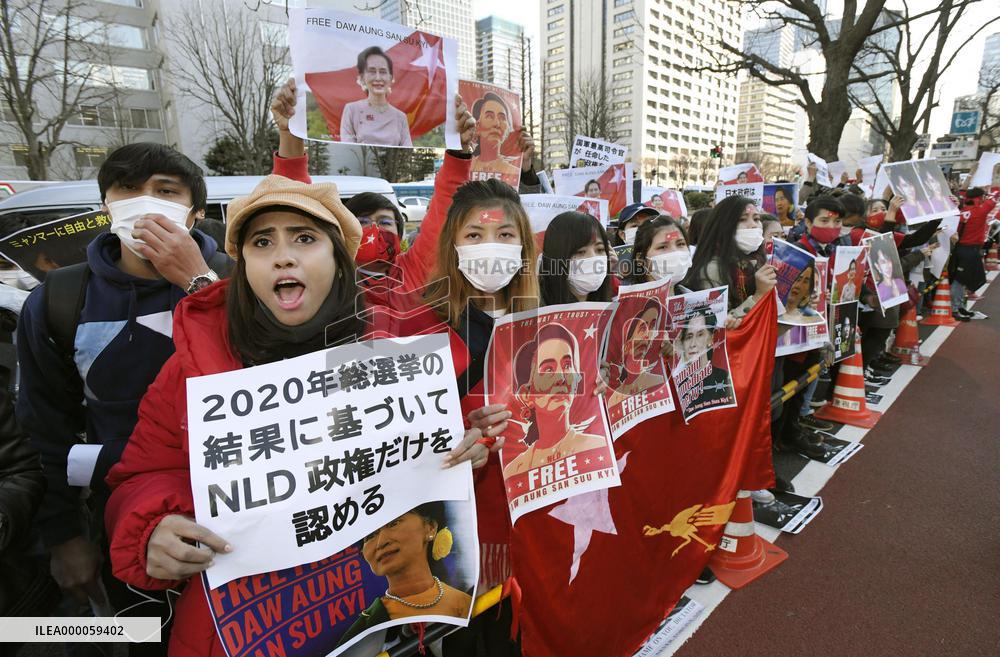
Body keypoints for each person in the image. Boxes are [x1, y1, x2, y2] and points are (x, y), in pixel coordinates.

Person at [103, 174, 492, 657]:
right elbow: (142, 475)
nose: (283, 256)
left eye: (304, 239)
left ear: (339, 259)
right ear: (244, 265)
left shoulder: (395, 358)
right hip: (242, 628)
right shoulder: (194, 364)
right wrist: (151, 528)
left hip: (368, 621)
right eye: (262, 242)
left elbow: (434, 480)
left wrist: (467, 452)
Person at [16, 143, 231, 652]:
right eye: (129, 190)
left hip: (233, 508)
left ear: (195, 212)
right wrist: (65, 535)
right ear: (105, 207)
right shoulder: (59, 299)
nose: (146, 201)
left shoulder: (239, 279)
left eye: (165, 191)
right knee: (143, 637)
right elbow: (43, 425)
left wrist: (198, 283)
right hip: (121, 518)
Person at [339, 503, 473, 646]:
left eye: (394, 523)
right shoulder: (364, 631)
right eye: (370, 535)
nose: (381, 542)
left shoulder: (468, 602)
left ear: (430, 528)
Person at [504, 323, 607, 476]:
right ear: (526, 395)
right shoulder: (515, 470)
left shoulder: (598, 447)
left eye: (567, 365)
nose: (560, 378)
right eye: (548, 369)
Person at [683, 195, 777, 321]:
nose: (753, 225)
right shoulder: (712, 270)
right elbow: (716, 326)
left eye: (756, 219)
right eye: (742, 219)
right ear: (723, 226)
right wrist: (759, 295)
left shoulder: (759, 263)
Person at [341, 46, 413, 147]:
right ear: (362, 78)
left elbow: (407, 152)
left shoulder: (400, 117)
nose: (378, 78)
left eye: (383, 72)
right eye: (372, 71)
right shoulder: (352, 110)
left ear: (391, 78)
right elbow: (347, 150)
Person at [539, 211, 615, 305]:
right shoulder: (534, 308)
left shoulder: (613, 303)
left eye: (600, 250)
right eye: (580, 252)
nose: (593, 258)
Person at [606, 299, 668, 408]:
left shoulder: (658, 382)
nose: (647, 335)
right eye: (642, 327)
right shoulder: (614, 398)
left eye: (652, 326)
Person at [672, 306, 732, 408]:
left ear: (711, 339)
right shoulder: (675, 383)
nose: (693, 344)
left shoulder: (724, 377)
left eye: (700, 335)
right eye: (689, 337)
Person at [950, 187, 994, 320]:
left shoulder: (961, 211)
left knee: (966, 279)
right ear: (979, 198)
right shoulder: (979, 211)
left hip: (962, 248)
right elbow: (993, 200)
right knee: (960, 280)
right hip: (969, 249)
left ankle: (960, 306)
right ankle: (955, 308)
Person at [626, 215, 692, 285]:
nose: (675, 252)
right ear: (640, 259)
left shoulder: (694, 291)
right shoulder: (623, 291)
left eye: (681, 244)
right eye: (662, 247)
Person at [469, 92, 520, 181]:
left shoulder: (515, 173)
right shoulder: (465, 168)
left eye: (502, 118)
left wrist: (527, 167)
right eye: (489, 116)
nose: (497, 124)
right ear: (477, 125)